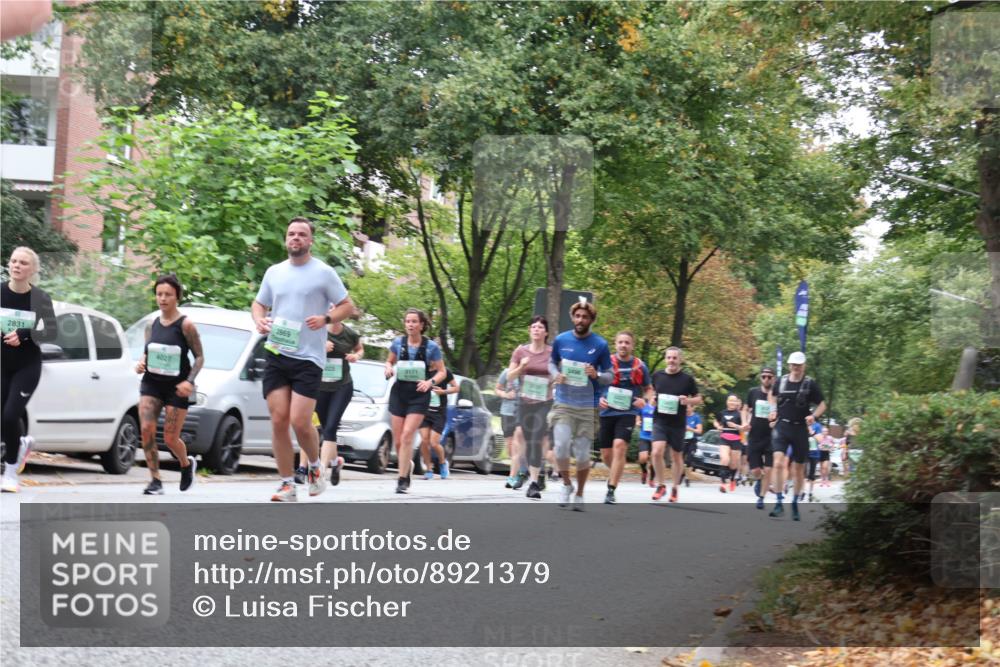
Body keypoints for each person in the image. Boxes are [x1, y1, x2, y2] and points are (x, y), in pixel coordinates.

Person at [252, 217, 355, 502]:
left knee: (300, 421)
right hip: (277, 351)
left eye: (301, 234)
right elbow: (259, 303)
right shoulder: (274, 272)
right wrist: (260, 320)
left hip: (309, 357)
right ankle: (287, 484)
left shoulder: (323, 273)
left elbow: (348, 306)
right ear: (286, 239)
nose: (295, 238)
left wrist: (325, 318)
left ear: (310, 241)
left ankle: (313, 466)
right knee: (278, 420)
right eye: (291, 234)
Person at [133, 274, 203, 495]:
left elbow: (200, 357)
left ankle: (185, 463)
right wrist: (141, 363)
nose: (163, 298)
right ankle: (155, 480)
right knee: (146, 430)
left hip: (176, 387)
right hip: (151, 383)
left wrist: (189, 382)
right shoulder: (151, 324)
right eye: (159, 294)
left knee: (171, 438)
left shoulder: (186, 325)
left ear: (177, 297)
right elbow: (147, 352)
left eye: (168, 295)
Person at [1, 247, 56, 493]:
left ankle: (11, 472)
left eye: (23, 263)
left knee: (11, 416)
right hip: (2, 363)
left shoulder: (40, 298)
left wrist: (23, 335)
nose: (17, 265)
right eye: (13, 261)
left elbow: (52, 332)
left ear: (32, 270)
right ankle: (20, 443)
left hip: (27, 365)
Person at [549, 300, 612, 510]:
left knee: (583, 453)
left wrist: (597, 374)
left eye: (585, 317)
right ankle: (566, 484)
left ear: (591, 320)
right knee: (560, 446)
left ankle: (580, 493)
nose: (580, 320)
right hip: (564, 402)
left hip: (588, 405)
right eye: (577, 316)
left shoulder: (600, 345)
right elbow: (551, 362)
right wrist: (556, 374)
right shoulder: (561, 340)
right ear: (572, 317)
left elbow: (610, 376)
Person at [294, 316, 363, 486]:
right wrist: (320, 348)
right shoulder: (316, 330)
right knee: (319, 427)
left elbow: (360, 349)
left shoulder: (350, 334)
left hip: (342, 386)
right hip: (318, 386)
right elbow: (301, 348)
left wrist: (356, 356)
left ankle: (320, 472)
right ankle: (336, 461)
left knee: (331, 427)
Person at [384, 308, 447, 494]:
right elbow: (389, 361)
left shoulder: (431, 347)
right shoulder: (398, 343)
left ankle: (402, 480)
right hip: (399, 393)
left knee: (407, 436)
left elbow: (442, 371)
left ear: (421, 325)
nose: (410, 324)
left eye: (414, 321)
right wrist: (388, 368)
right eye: (407, 321)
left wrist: (430, 382)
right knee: (398, 442)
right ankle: (407, 467)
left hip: (419, 395)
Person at [767, 351, 826, 521]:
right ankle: (778, 502)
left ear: (804, 366)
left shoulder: (810, 384)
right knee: (778, 463)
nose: (796, 368)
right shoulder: (782, 381)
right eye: (793, 365)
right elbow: (772, 395)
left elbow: (822, 404)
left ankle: (794, 502)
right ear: (789, 365)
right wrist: (773, 410)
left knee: (798, 469)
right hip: (782, 426)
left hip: (800, 428)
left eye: (799, 365)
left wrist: (814, 416)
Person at [597, 331, 651, 504]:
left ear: (632, 345)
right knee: (606, 454)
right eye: (620, 342)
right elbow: (594, 383)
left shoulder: (639, 366)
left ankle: (611, 489)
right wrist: (598, 399)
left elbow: (649, 388)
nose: (623, 345)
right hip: (607, 412)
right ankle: (615, 472)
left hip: (628, 412)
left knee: (619, 446)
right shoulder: (606, 363)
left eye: (627, 342)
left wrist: (645, 400)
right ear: (615, 344)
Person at [507, 316, 554, 500]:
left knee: (535, 439)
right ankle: (534, 474)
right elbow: (510, 376)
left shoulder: (552, 352)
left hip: (544, 401)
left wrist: (554, 379)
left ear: (546, 332)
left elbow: (558, 373)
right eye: (533, 326)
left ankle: (534, 483)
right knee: (526, 440)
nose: (536, 329)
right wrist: (521, 368)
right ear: (530, 331)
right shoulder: (520, 351)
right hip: (525, 402)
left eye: (540, 327)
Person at [647, 347, 702, 502]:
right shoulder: (657, 375)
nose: (671, 360)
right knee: (656, 452)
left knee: (676, 456)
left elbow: (699, 398)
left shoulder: (687, 379)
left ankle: (675, 487)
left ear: (680, 360)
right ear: (665, 359)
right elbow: (650, 393)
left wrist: (688, 401)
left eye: (674, 358)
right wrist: (652, 399)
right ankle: (661, 485)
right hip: (660, 421)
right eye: (669, 357)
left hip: (678, 423)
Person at [743, 367, 776, 510]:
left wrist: (776, 421)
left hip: (771, 437)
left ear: (774, 378)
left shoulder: (778, 395)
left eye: (769, 377)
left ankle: (761, 498)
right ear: (760, 378)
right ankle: (760, 479)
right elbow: (745, 409)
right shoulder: (753, 392)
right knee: (756, 470)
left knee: (768, 469)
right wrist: (744, 422)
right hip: (755, 435)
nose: (766, 379)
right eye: (764, 376)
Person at [418, 364, 458, 480]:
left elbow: (456, 388)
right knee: (424, 441)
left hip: (439, 413)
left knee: (434, 442)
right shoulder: (422, 369)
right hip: (424, 411)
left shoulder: (445, 371)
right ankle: (429, 470)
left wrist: (443, 392)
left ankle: (442, 463)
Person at [496, 368, 527, 490]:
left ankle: (513, 476)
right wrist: (506, 394)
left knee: (517, 445)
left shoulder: (528, 373)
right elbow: (497, 389)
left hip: (523, 412)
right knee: (510, 449)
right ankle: (523, 470)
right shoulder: (507, 372)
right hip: (507, 412)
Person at [713, 394, 744, 493]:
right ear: (727, 402)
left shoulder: (740, 414)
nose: (732, 403)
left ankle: (732, 479)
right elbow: (715, 421)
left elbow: (744, 427)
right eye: (730, 400)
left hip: (736, 439)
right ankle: (723, 483)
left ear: (737, 403)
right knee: (724, 458)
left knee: (733, 464)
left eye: (734, 401)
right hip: (724, 438)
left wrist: (735, 425)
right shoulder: (722, 413)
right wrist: (718, 426)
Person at [681, 404, 703, 487]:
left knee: (689, 460)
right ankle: (682, 473)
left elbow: (699, 431)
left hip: (692, 441)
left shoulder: (696, 417)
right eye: (685, 407)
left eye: (688, 407)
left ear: (692, 407)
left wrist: (690, 429)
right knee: (680, 459)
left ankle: (687, 478)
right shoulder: (681, 416)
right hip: (682, 440)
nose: (686, 409)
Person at [637, 400, 656, 486]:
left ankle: (652, 479)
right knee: (643, 457)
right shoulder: (644, 406)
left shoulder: (660, 408)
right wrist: (637, 421)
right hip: (644, 436)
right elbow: (638, 414)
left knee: (654, 459)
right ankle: (644, 471)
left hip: (656, 437)